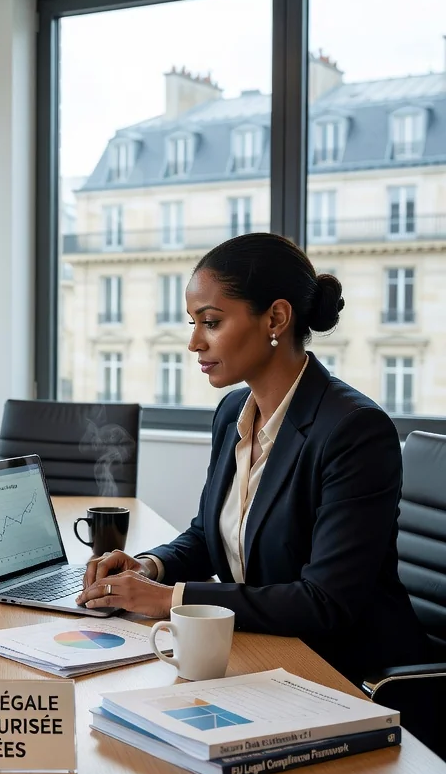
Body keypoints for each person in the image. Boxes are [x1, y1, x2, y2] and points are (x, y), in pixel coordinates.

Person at [75, 233, 429, 683]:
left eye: (212, 322)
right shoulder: (231, 414)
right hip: (261, 654)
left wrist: (168, 599)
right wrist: (148, 567)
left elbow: (325, 602)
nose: (195, 344)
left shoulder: (354, 430)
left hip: (348, 675)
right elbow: (209, 537)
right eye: (193, 323)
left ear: (276, 318)